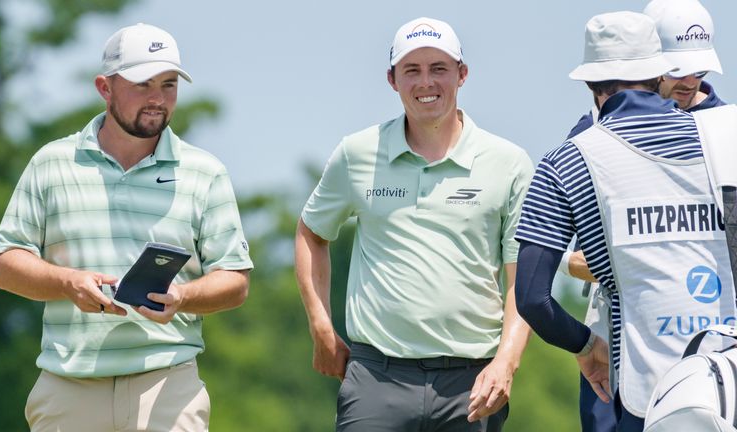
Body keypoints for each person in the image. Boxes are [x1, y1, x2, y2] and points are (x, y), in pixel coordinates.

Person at [0, 23, 253, 431]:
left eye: (168, 85)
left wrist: (182, 296)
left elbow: (235, 281)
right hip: (69, 385)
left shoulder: (206, 172)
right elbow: (5, 264)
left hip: (168, 385)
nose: (157, 99)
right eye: (142, 84)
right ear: (105, 87)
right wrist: (67, 283)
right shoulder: (51, 163)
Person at [295, 17, 533, 432]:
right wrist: (320, 324)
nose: (426, 82)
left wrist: (506, 362)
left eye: (439, 68)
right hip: (376, 376)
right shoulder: (357, 153)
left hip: (471, 381)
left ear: (462, 74)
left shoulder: (509, 163)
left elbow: (523, 278)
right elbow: (311, 233)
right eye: (412, 70)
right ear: (392, 79)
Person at [515, 11, 736, 432]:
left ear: (590, 83)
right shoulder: (727, 137)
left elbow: (531, 298)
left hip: (639, 389)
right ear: (660, 73)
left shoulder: (566, 160)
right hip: (728, 383)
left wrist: (585, 346)